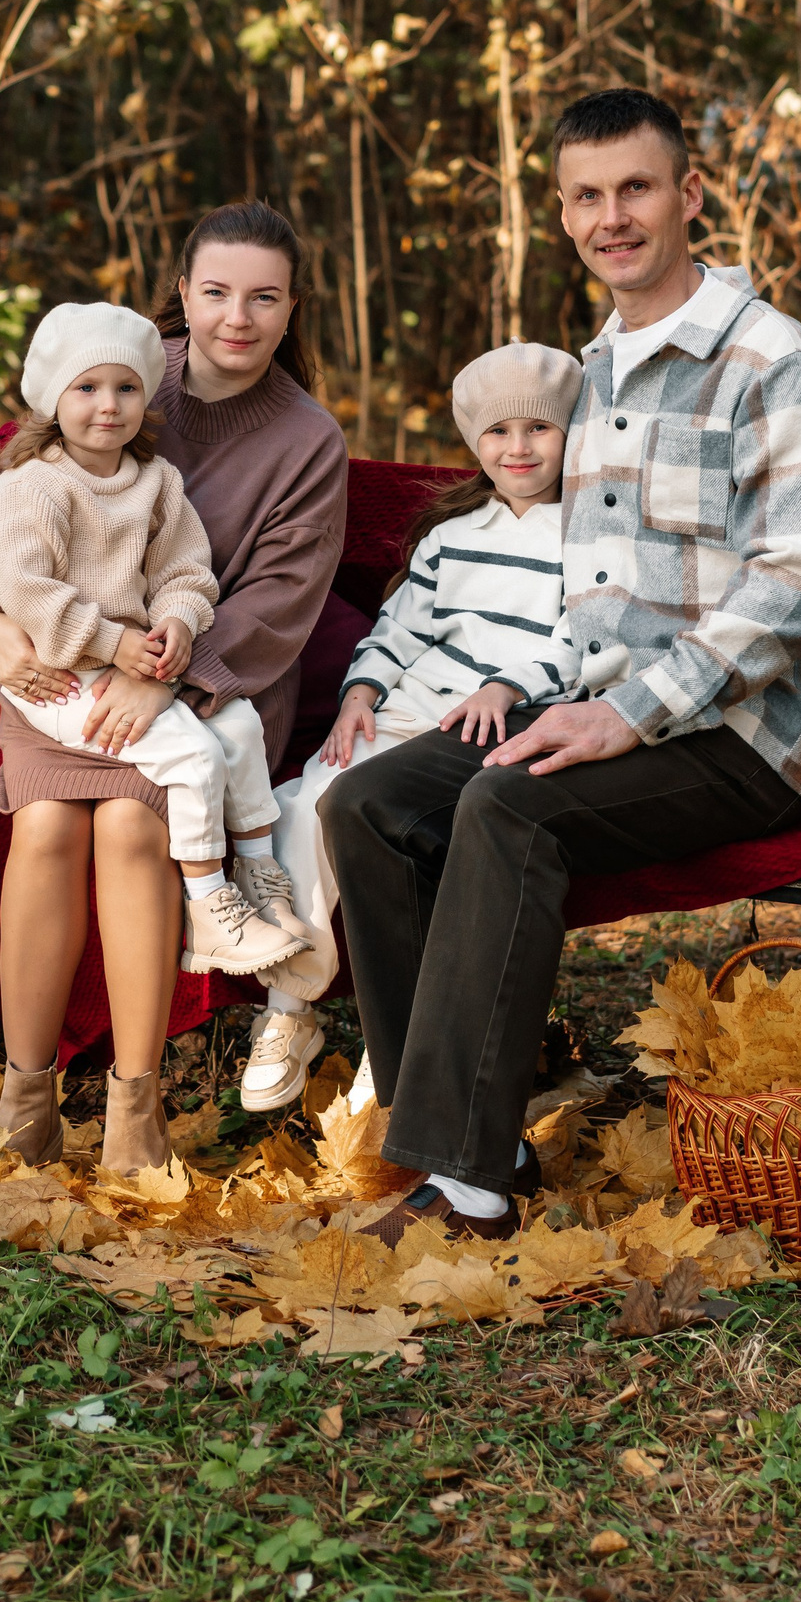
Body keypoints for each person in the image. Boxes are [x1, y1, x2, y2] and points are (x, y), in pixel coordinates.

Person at [323, 85, 801, 1245]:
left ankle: (469, 1187)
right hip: (606, 704)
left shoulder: (769, 359)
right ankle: (474, 1131)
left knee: (506, 806)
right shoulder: (597, 371)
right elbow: (592, 588)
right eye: (586, 196)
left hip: (752, 729)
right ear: (564, 213)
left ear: (690, 194)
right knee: (369, 802)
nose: (611, 216)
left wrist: (627, 711)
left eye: (635, 187)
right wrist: (536, 691)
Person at [0, 203, 347, 1173]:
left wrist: (168, 680)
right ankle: (26, 1098)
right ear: (184, 294)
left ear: (293, 308)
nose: (237, 317)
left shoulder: (307, 438)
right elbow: (1, 501)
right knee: (47, 825)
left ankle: (136, 1106)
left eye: (263, 297)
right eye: (216, 292)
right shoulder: (121, 366)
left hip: (212, 687)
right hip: (61, 670)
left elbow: (277, 601)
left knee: (129, 826)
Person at [245, 341, 585, 1113]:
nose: (519, 447)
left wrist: (507, 685)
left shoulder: (590, 536)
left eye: (539, 428)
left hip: (499, 719)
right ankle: (289, 1009)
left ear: (571, 435)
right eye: (499, 431)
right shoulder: (453, 533)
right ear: (475, 442)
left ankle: (398, 1037)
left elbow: (585, 640)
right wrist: (361, 693)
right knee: (306, 803)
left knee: (398, 825)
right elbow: (398, 629)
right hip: (407, 705)